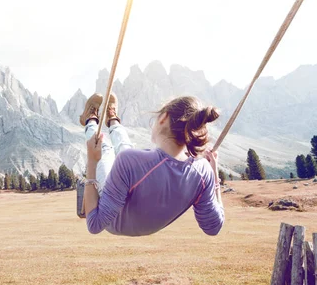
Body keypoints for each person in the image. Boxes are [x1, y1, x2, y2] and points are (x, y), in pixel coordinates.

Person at [80, 92, 224, 237]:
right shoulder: (203, 171)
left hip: (113, 221)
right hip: (146, 225)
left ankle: (90, 120)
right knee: (125, 147)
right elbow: (213, 228)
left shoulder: (130, 160)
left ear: (163, 117)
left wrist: (92, 161)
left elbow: (95, 225)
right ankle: (112, 120)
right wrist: (213, 173)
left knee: (105, 149)